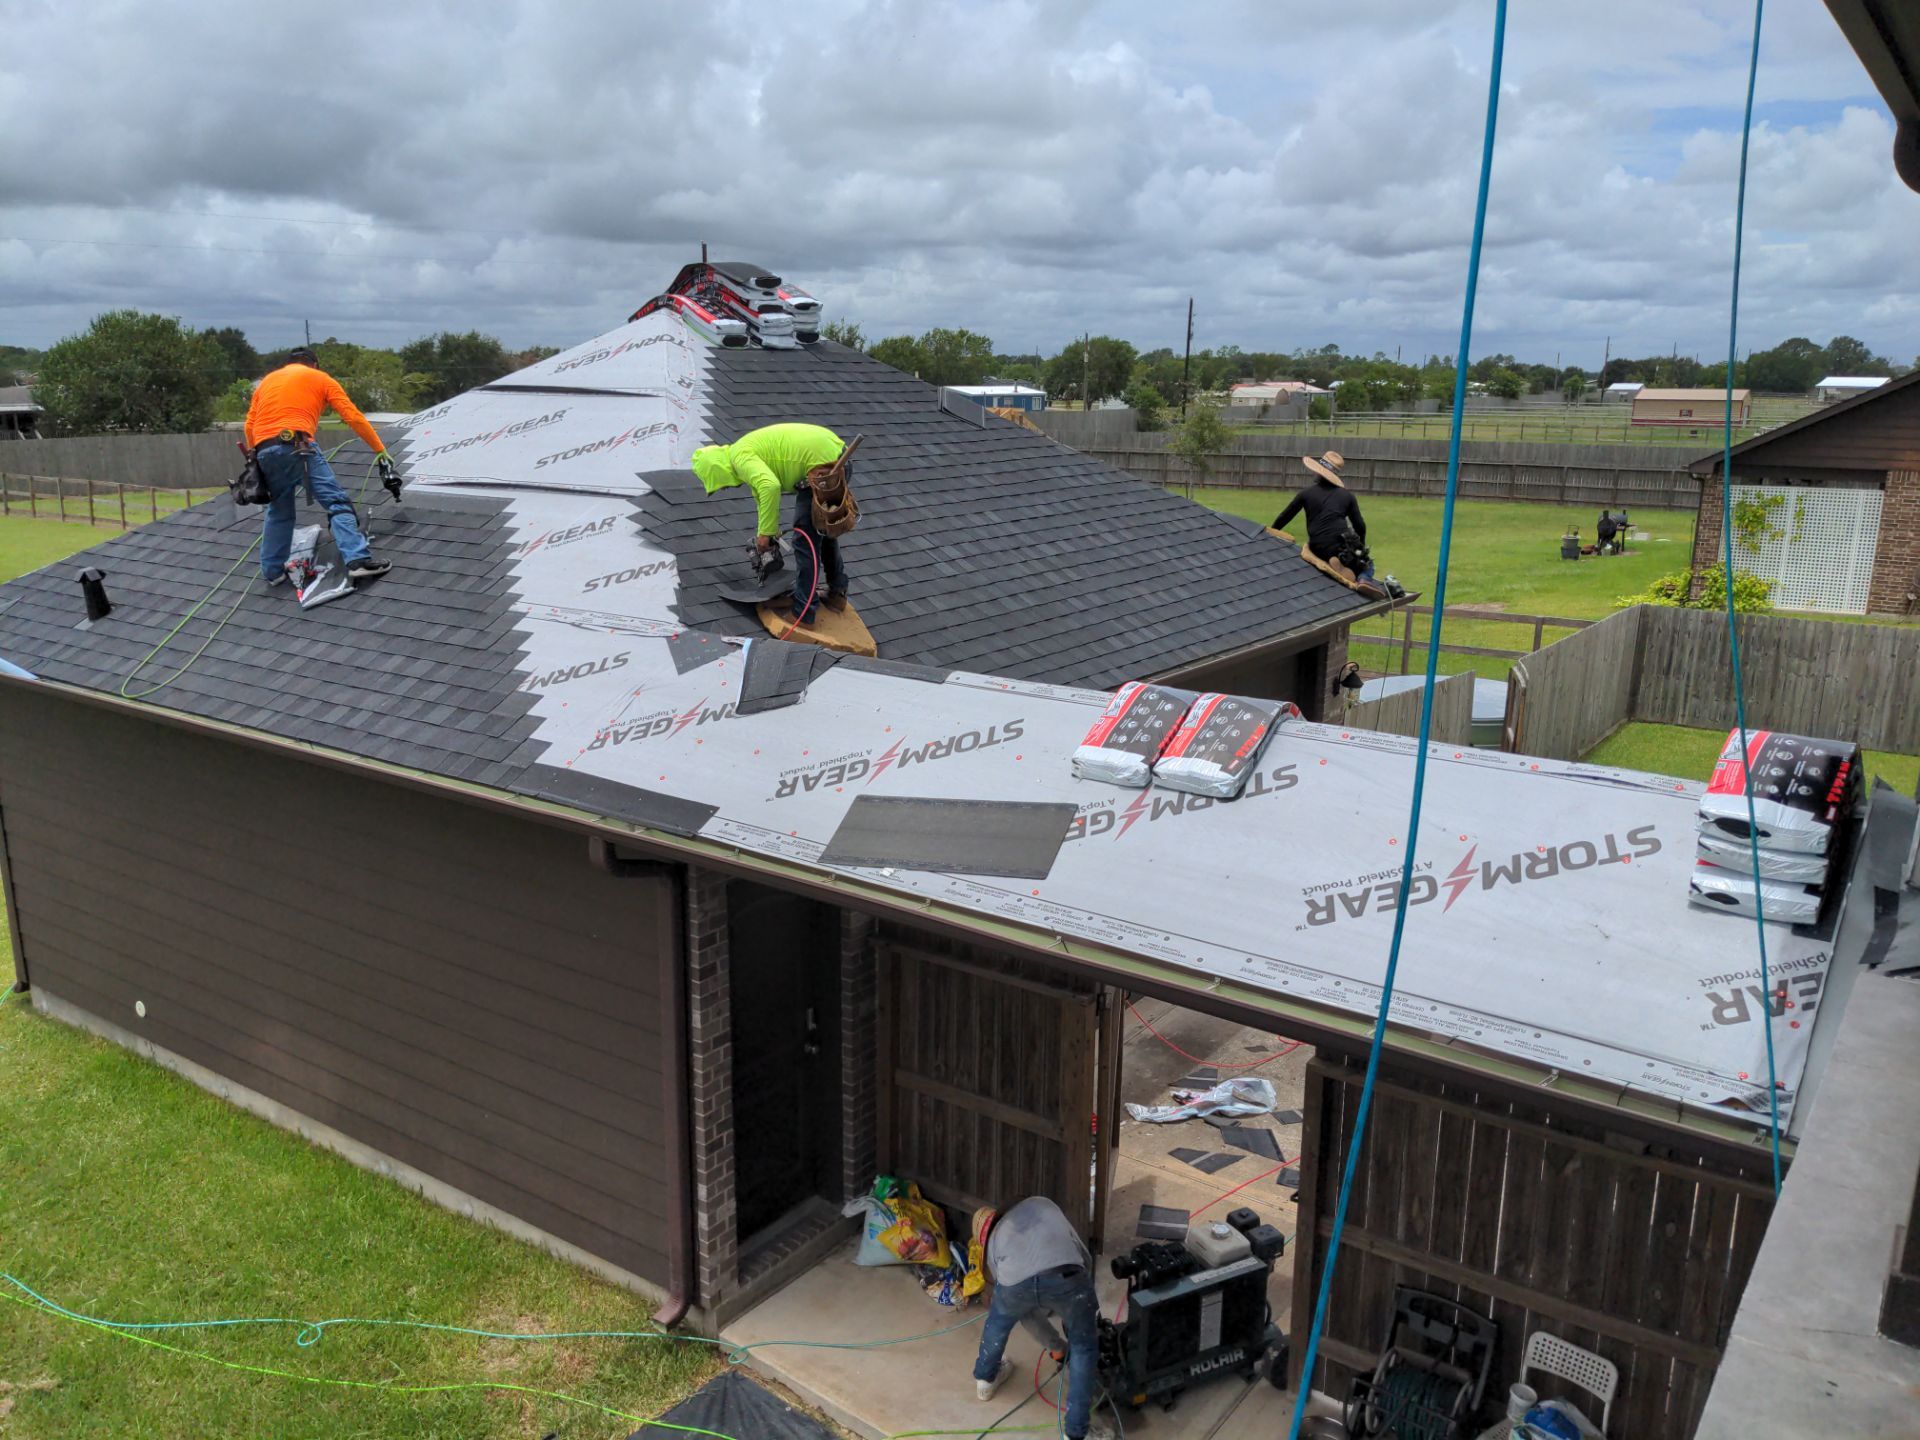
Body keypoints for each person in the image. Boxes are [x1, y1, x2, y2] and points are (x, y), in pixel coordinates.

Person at [245, 348, 396, 584]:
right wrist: (379, 449)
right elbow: (352, 416)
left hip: (264, 450)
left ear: (288, 364)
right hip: (298, 445)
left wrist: (256, 459)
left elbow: (249, 424)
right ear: (314, 364)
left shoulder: (267, 382)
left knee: (279, 512)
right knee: (337, 503)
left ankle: (273, 572)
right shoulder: (320, 378)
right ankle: (357, 560)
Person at [971, 1197, 1109, 1440]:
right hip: (1067, 1277)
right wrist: (1077, 1307)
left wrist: (1054, 1345)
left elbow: (1020, 1305)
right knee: (1084, 1348)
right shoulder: (1043, 1204)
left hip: (1016, 1285)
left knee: (998, 1322)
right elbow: (1083, 1257)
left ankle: (985, 1381)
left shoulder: (994, 1242)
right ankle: (1076, 1434)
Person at [689, 422, 850, 623]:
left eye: (719, 485)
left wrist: (766, 535)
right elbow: (761, 496)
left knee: (804, 540)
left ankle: (803, 613)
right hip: (838, 457)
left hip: (823, 470)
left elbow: (770, 487)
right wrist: (766, 532)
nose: (725, 489)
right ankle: (837, 594)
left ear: (717, 470)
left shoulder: (740, 457)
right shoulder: (743, 449)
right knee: (822, 531)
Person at [1271, 450, 1387, 600]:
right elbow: (1360, 525)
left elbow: (1285, 516)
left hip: (1317, 545)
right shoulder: (1347, 496)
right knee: (1366, 564)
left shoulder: (1305, 493)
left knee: (1333, 552)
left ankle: (1335, 561)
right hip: (1341, 543)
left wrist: (1273, 530)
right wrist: (1361, 549)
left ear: (1319, 472)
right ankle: (1363, 579)